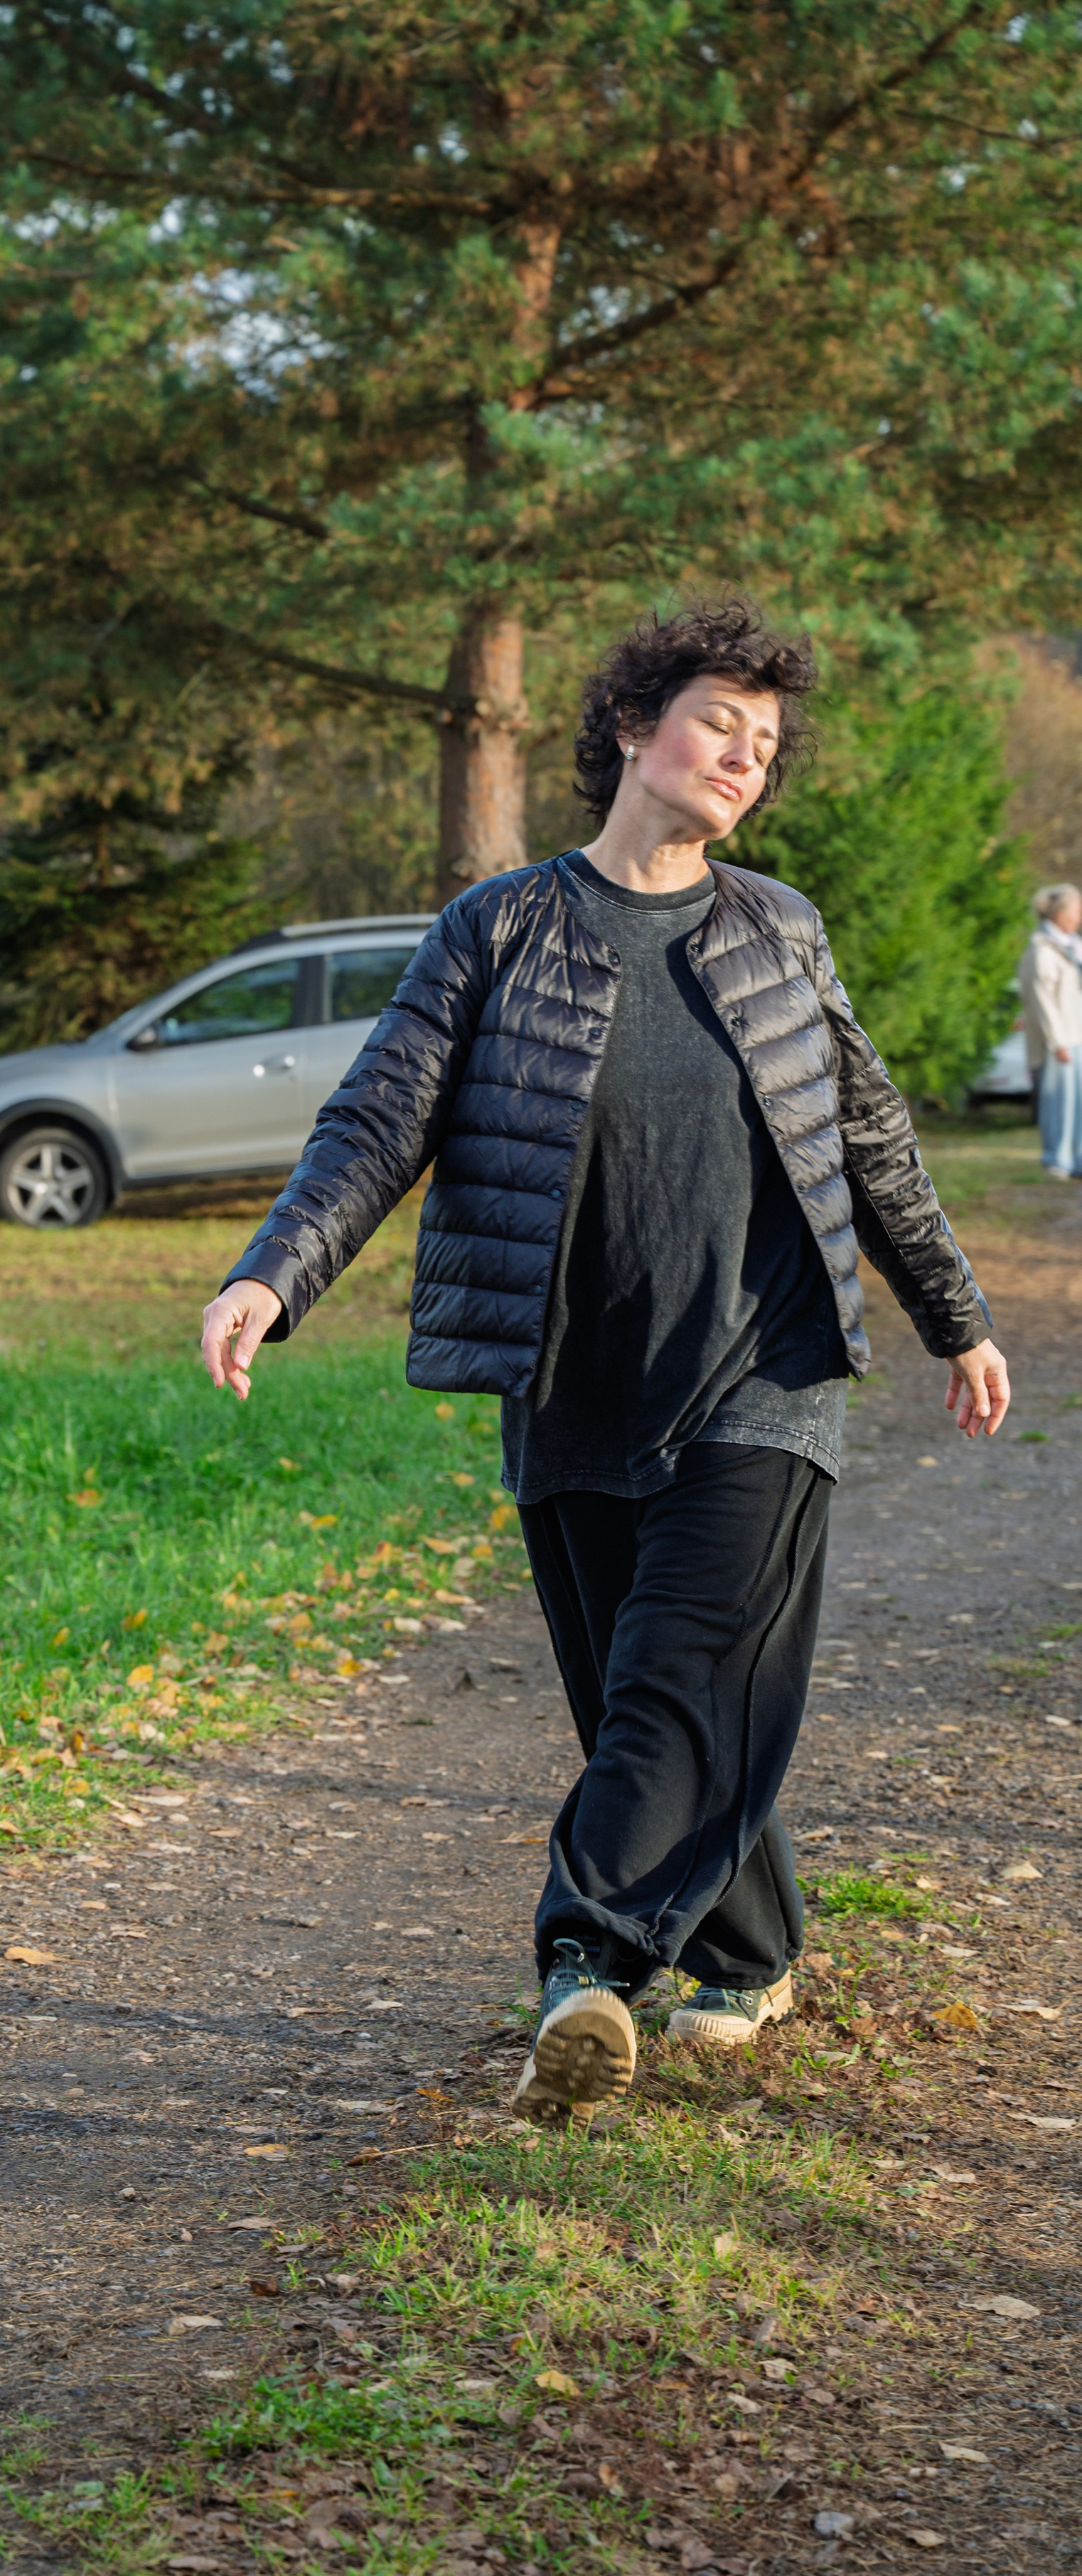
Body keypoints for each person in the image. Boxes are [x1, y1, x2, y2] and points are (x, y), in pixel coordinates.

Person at [198, 599, 1009, 2120]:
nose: (742, 759)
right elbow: (377, 1119)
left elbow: (867, 1131)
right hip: (568, 1377)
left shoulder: (777, 929)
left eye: (765, 746)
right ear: (633, 726)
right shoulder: (495, 927)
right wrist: (270, 1276)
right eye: (719, 722)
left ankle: (582, 1966)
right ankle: (749, 1949)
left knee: (674, 1674)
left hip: (765, 1370)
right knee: (647, 1694)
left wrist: (949, 1312)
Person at [1017, 883, 1082, 1180]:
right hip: (1058, 1041)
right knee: (1059, 1102)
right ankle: (1057, 1159)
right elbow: (1041, 1000)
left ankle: (1077, 1160)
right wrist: (1058, 1043)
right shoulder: (1040, 950)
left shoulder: (1073, 946)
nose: (1079, 916)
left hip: (1077, 1035)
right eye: (1076, 910)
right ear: (1059, 914)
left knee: (1078, 1102)